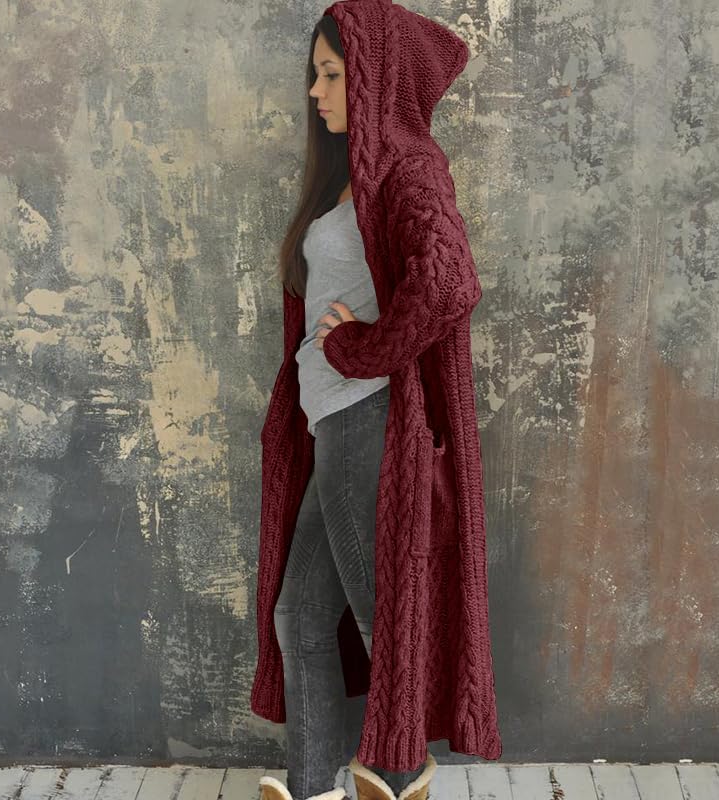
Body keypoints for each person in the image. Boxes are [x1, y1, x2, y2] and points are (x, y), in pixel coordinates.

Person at [258, 13, 434, 800]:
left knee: (377, 610)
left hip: (366, 414)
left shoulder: (408, 171)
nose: (316, 90)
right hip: (331, 418)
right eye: (316, 73)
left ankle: (402, 775)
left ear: (374, 78)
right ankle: (314, 788)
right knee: (300, 615)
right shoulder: (346, 178)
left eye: (332, 74)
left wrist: (362, 349)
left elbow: (450, 283)